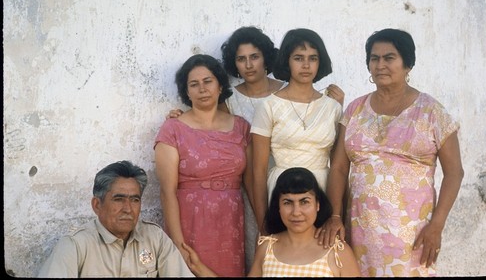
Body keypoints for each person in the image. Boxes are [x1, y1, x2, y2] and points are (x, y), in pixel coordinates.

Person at [167, 26, 345, 273]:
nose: (249, 64)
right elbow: (213, 127)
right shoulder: (242, 103)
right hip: (265, 188)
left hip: (318, 188)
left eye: (254, 57)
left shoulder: (315, 98)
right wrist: (180, 119)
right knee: (269, 254)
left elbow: (337, 161)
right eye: (241, 59)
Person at [322, 28, 464, 277]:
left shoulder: (431, 111)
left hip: (411, 233)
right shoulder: (356, 108)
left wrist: (437, 226)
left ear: (407, 64)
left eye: (389, 58)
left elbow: (454, 173)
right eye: (374, 58)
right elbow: (339, 167)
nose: (380, 65)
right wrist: (335, 215)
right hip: (360, 228)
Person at [154, 54, 252, 277]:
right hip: (191, 222)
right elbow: (167, 192)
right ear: (186, 92)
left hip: (231, 223)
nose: (202, 89)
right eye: (194, 84)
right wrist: (177, 244)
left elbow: (252, 181)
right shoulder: (173, 129)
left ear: (219, 85)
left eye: (208, 81)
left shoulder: (241, 128)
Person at [37, 160, 214, 277]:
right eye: (119, 199)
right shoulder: (75, 245)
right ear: (97, 205)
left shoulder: (155, 237)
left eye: (135, 200)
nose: (128, 209)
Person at [251, 28, 343, 236]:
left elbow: (339, 166)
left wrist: (337, 213)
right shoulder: (269, 106)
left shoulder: (333, 108)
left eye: (313, 58)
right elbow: (258, 171)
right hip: (282, 192)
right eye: (298, 58)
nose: (306, 65)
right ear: (287, 61)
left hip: (322, 190)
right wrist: (262, 223)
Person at [247, 167, 361, 277]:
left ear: (317, 205)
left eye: (304, 202)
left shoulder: (338, 253)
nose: (296, 212)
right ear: (278, 207)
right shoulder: (266, 249)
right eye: (287, 202)